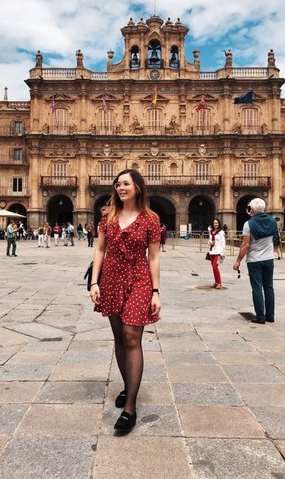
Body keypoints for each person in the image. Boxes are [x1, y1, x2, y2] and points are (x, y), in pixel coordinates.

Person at [89, 168, 161, 433]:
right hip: (111, 279)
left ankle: (130, 407)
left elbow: (153, 257)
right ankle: (129, 385)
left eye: (126, 184)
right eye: (118, 184)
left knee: (132, 336)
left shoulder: (151, 218)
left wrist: (156, 291)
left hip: (139, 278)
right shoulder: (108, 216)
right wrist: (94, 282)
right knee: (119, 338)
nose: (121, 188)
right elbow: (99, 249)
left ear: (138, 187)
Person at [233, 198, 277, 324]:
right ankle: (270, 315)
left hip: (254, 260)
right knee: (269, 287)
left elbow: (245, 245)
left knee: (257, 287)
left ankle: (260, 316)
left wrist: (238, 261)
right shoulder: (273, 222)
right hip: (269, 258)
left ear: (251, 210)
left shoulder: (249, 224)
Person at [208, 218, 226, 289]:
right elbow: (209, 240)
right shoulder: (211, 231)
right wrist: (210, 242)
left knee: (215, 267)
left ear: (219, 224)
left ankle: (219, 283)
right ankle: (216, 282)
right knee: (213, 268)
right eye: (214, 223)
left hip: (218, 252)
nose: (216, 224)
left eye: (217, 223)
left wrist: (222, 252)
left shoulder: (221, 232)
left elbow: (223, 243)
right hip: (212, 251)